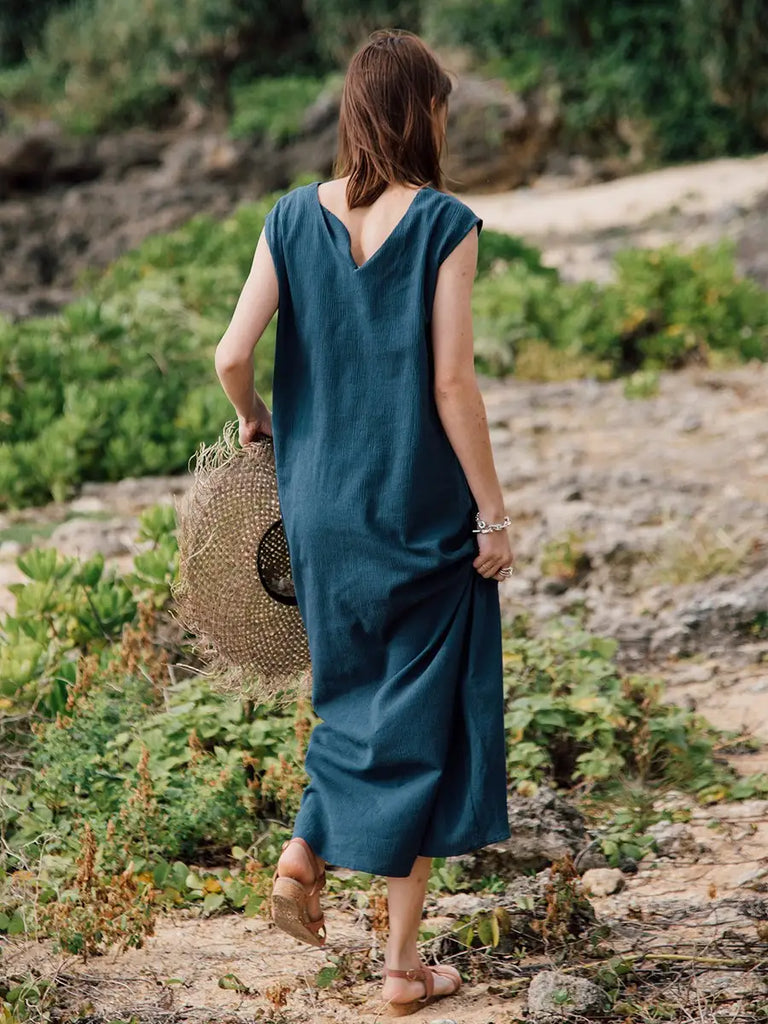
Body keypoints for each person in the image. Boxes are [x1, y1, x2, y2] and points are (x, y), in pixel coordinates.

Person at [214, 27, 514, 1018]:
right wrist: (493, 512)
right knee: (415, 725)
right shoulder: (446, 223)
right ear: (422, 111)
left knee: (354, 698)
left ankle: (303, 853)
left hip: (317, 511)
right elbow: (452, 382)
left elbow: (229, 354)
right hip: (416, 508)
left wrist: (256, 419)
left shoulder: (288, 218)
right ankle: (399, 968)